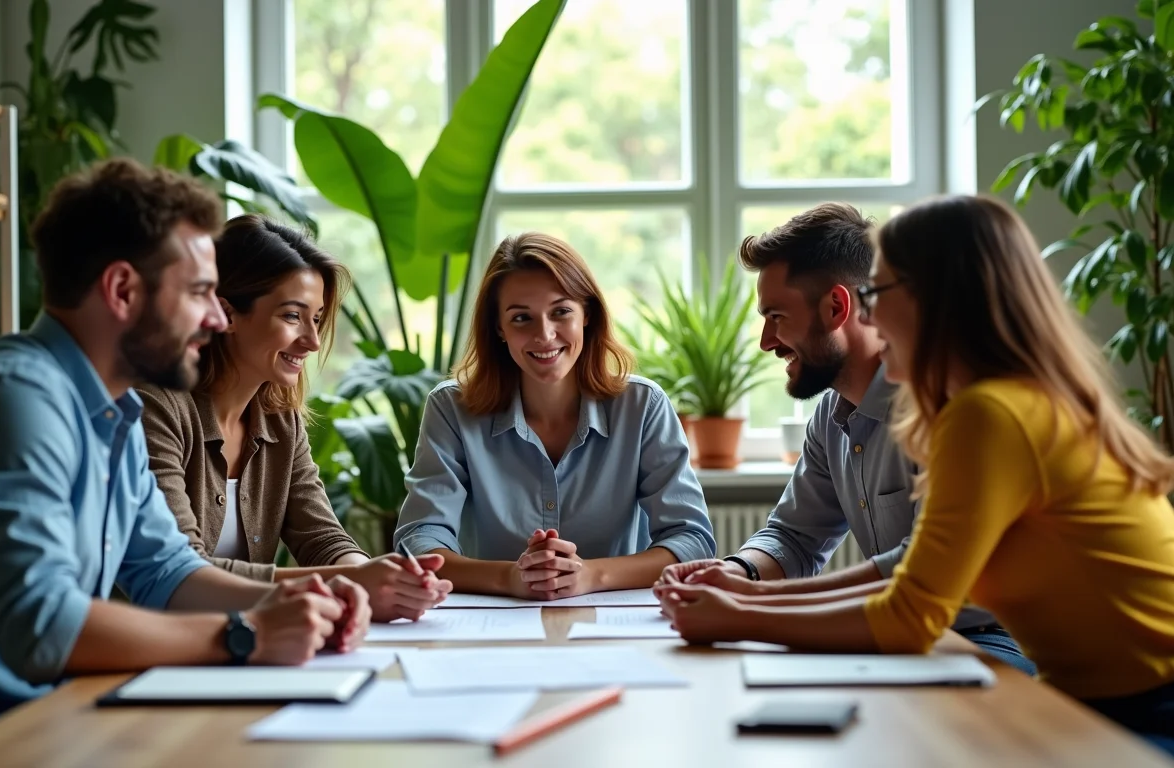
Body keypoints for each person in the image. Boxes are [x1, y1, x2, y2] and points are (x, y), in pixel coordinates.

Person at [656, 195, 1174, 755]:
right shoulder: (988, 404)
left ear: (931, 301)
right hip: (1097, 696)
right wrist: (742, 596)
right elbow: (894, 578)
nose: (870, 316)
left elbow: (910, 612)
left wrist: (742, 616)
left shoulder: (988, 414)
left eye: (876, 295)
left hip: (1148, 709)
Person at [0, 159, 371, 761]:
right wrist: (246, 634)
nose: (217, 318)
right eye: (199, 293)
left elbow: (168, 574)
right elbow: (40, 626)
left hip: (55, 720)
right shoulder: (13, 399)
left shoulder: (111, 411)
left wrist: (305, 600)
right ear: (122, 291)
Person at [657, 202, 1033, 675]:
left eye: (776, 316)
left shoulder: (953, 409)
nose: (765, 341)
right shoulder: (830, 417)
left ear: (839, 307)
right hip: (911, 628)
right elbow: (794, 536)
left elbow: (914, 579)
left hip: (986, 637)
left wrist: (752, 608)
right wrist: (738, 573)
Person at [138, 214, 451, 622]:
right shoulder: (155, 409)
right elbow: (179, 573)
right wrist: (346, 583)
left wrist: (386, 577)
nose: (313, 340)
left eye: (317, 318)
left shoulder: (279, 420)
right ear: (225, 313)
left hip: (253, 649)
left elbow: (321, 537)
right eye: (291, 316)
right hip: (150, 660)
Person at [393, 232, 716, 598]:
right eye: (520, 318)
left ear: (587, 315)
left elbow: (692, 539)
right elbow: (420, 539)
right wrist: (510, 578)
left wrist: (590, 575)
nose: (544, 335)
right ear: (499, 328)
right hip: (494, 624)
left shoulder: (643, 406)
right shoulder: (451, 408)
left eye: (561, 311)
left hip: (618, 628)